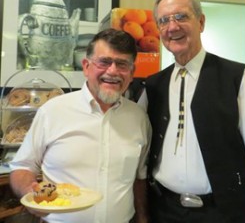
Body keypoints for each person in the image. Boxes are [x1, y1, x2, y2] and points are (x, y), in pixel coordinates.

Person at [138, 0, 245, 223]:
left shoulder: (235, 77)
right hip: (164, 212)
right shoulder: (153, 85)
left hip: (222, 213)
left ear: (201, 22)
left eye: (181, 16)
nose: (172, 27)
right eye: (163, 20)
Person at [9, 28, 151, 223]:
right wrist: (30, 193)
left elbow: (139, 177)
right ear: (86, 66)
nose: (113, 71)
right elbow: (23, 166)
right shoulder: (53, 111)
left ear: (132, 73)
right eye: (104, 62)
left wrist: (143, 218)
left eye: (122, 64)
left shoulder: (138, 117)